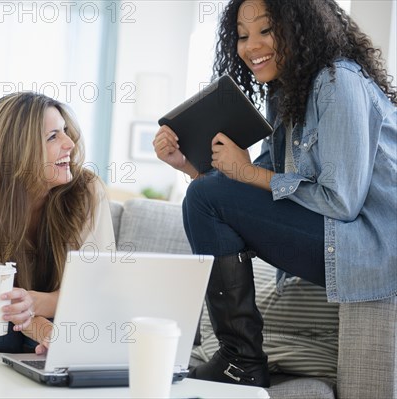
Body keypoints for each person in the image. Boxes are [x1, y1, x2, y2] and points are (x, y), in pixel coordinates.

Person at [154, 0, 396, 388]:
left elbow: (342, 202)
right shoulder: (286, 94)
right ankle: (240, 359)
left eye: (265, 30)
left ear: (301, 29)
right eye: (242, 36)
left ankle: (240, 360)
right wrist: (189, 166)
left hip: (367, 246)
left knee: (209, 196)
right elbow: (243, 190)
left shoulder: (338, 82)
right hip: (336, 238)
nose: (251, 47)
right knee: (206, 195)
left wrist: (245, 172)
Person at [0, 92, 115, 354]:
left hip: (65, 314)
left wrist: (39, 305)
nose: (70, 144)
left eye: (64, 131)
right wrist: (44, 331)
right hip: (3, 321)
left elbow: (95, 288)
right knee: (0, 333)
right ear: (18, 151)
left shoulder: (88, 191)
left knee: (58, 330)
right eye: (53, 136)